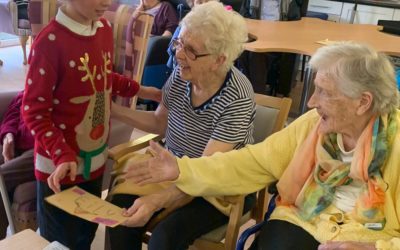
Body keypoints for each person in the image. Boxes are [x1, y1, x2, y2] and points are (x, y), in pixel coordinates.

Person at [124, 42, 400, 250]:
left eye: (324, 92)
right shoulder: (312, 125)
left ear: (363, 102)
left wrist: (376, 248)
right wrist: (182, 168)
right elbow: (252, 162)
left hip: (372, 234)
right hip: (307, 217)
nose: (311, 102)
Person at [108, 2, 256, 249]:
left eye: (191, 50)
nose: (178, 55)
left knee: (165, 238)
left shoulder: (237, 97)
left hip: (218, 184)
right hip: (173, 167)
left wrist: (155, 201)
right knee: (120, 212)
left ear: (219, 60)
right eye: (179, 43)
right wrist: (113, 110)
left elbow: (205, 172)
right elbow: (158, 122)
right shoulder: (182, 73)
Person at [21, 0, 161, 248]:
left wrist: (142, 91)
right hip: (58, 172)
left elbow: (104, 77)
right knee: (60, 242)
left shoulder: (103, 28)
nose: (107, 2)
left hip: (94, 162)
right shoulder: (49, 43)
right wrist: (61, 154)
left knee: (85, 235)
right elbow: (34, 111)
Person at [0, 91, 35, 239]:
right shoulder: (27, 90)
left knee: (1, 178)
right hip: (17, 145)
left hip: (40, 151)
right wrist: (9, 135)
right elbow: (13, 113)